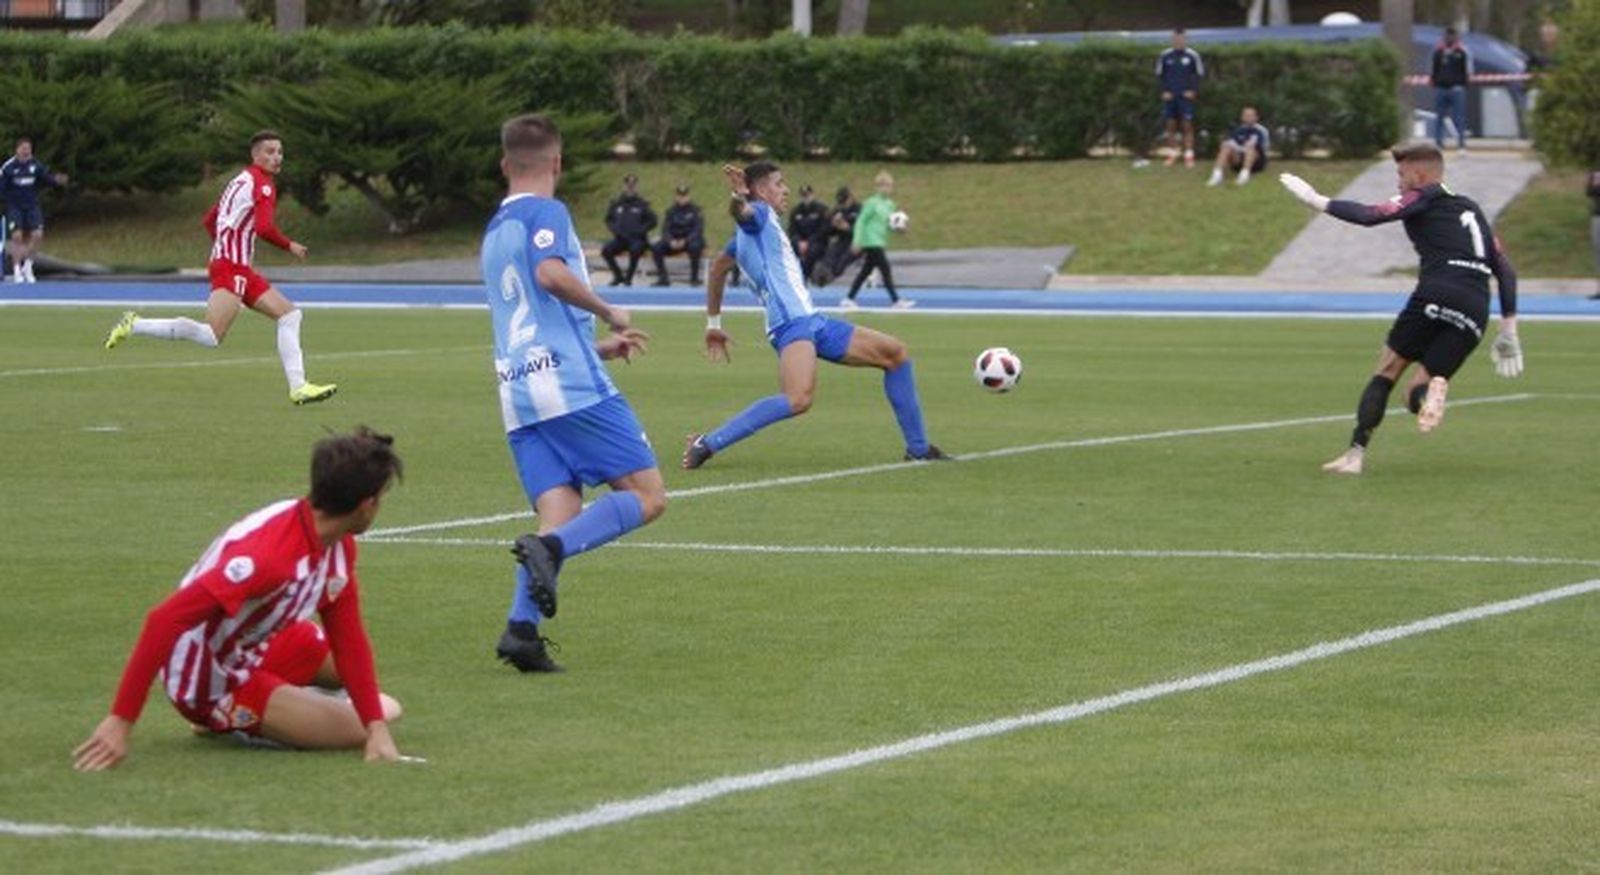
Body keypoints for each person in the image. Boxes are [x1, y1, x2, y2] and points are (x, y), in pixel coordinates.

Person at [71, 427, 407, 771]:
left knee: (349, 679)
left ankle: (288, 705)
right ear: (367, 504)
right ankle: (224, 715)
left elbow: (348, 640)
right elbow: (165, 619)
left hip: (254, 642)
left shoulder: (338, 544)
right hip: (210, 676)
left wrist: (375, 726)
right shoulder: (267, 559)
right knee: (379, 712)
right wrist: (120, 721)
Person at [482, 114, 666, 673]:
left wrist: (600, 346)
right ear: (556, 163)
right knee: (648, 496)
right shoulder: (547, 212)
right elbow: (550, 276)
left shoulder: (493, 229)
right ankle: (552, 551)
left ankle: (521, 631)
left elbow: (530, 313)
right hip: (565, 386)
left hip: (517, 391)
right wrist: (609, 309)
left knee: (559, 508)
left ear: (503, 164)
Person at [682, 161, 948, 470]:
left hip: (813, 321)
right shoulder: (759, 215)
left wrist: (714, 324)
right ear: (761, 191)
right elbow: (742, 213)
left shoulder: (751, 234)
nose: (786, 190)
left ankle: (918, 449)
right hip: (791, 325)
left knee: (896, 354)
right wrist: (739, 196)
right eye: (779, 184)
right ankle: (707, 443)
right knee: (798, 399)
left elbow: (717, 268)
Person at [1278, 144, 1522, 475]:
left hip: (1437, 291)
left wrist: (1315, 200)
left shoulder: (1424, 194)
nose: (1398, 181)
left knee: (1387, 372)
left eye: (1401, 174)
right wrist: (1508, 331)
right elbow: (1506, 271)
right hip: (1476, 309)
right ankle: (1429, 398)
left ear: (1420, 175)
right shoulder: (1473, 210)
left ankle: (1354, 456)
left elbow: (1371, 215)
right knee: (1413, 395)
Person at [103, 130, 336, 406]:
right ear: (255, 154)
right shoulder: (262, 184)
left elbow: (209, 220)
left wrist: (225, 248)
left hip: (235, 266)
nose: (276, 157)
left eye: (280, 152)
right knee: (212, 335)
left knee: (290, 316)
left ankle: (299, 387)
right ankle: (136, 325)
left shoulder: (238, 180)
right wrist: (289, 246)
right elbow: (263, 228)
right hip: (232, 267)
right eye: (270, 152)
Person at [0, 137, 67, 284]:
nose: (26, 152)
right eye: (23, 149)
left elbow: (46, 177)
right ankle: (17, 269)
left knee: (37, 235)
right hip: (15, 207)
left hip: (32, 207)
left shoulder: (35, 165)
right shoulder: (8, 167)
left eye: (28, 149)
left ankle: (28, 266)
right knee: (17, 237)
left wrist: (56, 180)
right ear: (17, 150)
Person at [843, 170, 913, 309]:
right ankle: (896, 300)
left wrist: (900, 229)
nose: (887, 189)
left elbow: (889, 224)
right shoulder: (871, 202)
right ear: (877, 187)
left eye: (889, 186)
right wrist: (857, 240)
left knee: (865, 271)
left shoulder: (890, 205)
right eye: (883, 185)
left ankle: (849, 298)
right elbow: (861, 221)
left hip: (880, 241)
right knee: (885, 269)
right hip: (871, 241)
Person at [1156, 28, 1204, 168]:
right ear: (1172, 40)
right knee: (1170, 124)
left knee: (1186, 124)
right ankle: (1172, 153)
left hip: (1185, 97)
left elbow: (1199, 75)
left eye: (1181, 39)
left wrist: (1193, 91)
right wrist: (1164, 91)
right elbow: (1160, 75)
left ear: (1186, 40)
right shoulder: (1165, 55)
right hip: (1170, 96)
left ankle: (1189, 155)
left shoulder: (1192, 56)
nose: (1178, 41)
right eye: (1176, 39)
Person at [600, 173, 656, 286]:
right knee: (606, 251)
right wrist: (615, 230)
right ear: (624, 186)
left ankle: (628, 278)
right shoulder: (616, 203)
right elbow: (608, 220)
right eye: (628, 185)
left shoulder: (642, 204)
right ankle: (618, 276)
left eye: (633, 186)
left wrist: (640, 230)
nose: (630, 188)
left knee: (635, 250)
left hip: (638, 239)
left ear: (636, 187)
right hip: (621, 238)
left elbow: (653, 221)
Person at [649, 184, 705, 286]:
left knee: (696, 246)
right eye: (680, 196)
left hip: (689, 241)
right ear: (676, 196)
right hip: (673, 242)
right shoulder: (671, 211)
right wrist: (670, 241)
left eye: (684, 196)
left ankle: (694, 279)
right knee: (656, 247)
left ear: (688, 196)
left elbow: (698, 230)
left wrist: (685, 241)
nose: (682, 198)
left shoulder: (696, 210)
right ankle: (663, 278)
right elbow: (665, 229)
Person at [1430, 27, 1473, 153]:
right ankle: (1438, 142)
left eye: (1452, 36)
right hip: (1441, 88)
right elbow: (1434, 69)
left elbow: (1467, 70)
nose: (1449, 38)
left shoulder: (1461, 52)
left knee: (1459, 118)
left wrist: (1463, 83)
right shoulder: (1438, 52)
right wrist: (1435, 81)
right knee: (1440, 117)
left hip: (1456, 88)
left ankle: (1461, 145)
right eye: (1447, 36)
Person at [1207, 106, 1269, 187]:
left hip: (1256, 162)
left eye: (1251, 115)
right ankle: (1216, 175)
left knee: (1250, 149)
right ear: (1242, 118)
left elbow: (1263, 149)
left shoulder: (1261, 131)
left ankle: (1244, 176)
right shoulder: (1238, 130)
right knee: (1226, 147)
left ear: (1256, 117)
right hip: (1239, 159)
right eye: (1246, 115)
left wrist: (1247, 148)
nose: (1248, 118)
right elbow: (1232, 143)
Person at [813, 185, 861, 285]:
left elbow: (865, 231)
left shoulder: (859, 210)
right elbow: (824, 232)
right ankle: (822, 278)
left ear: (851, 198)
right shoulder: (837, 210)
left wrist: (848, 228)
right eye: (841, 203)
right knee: (829, 256)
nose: (843, 205)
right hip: (842, 240)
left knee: (842, 262)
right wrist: (833, 225)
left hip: (857, 242)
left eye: (844, 202)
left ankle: (832, 277)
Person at [787, 183, 830, 279]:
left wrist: (808, 242)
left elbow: (823, 230)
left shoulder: (821, 209)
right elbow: (792, 230)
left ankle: (805, 277)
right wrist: (799, 241)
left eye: (807, 195)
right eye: (803, 196)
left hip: (817, 241)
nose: (806, 198)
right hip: (800, 242)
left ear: (812, 195)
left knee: (812, 252)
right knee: (789, 250)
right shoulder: (796, 211)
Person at [1588, 169, 1600, 300]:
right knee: (1598, 253)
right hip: (1597, 217)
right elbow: (1589, 193)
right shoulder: (1595, 174)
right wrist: (1594, 182)